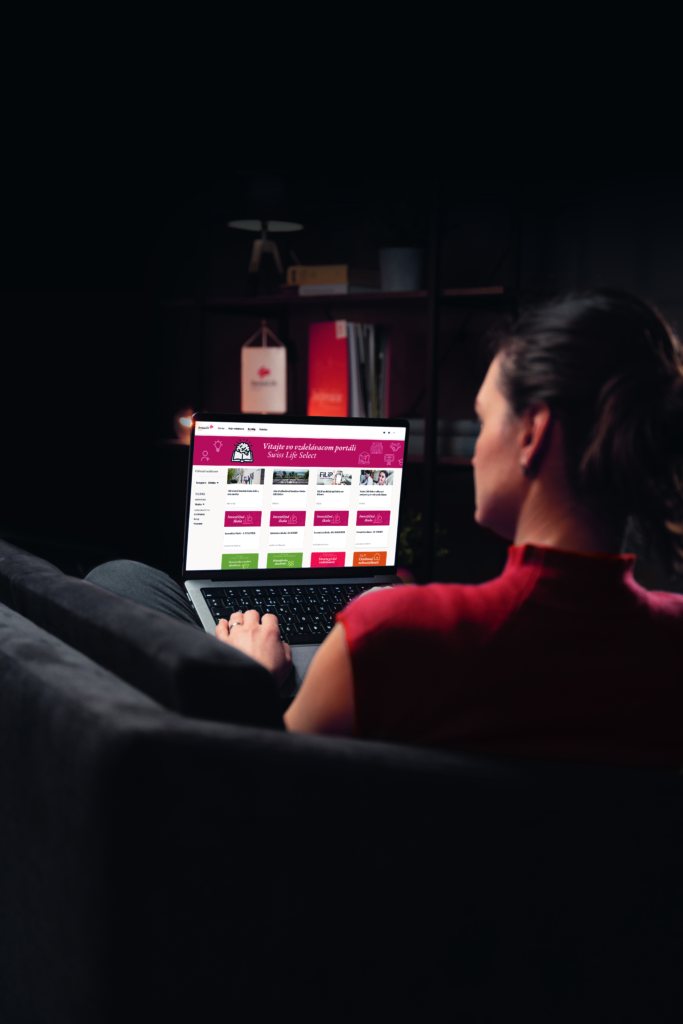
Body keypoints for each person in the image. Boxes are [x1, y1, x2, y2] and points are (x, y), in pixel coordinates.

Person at [86, 288, 683, 768]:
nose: (475, 452)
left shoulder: (390, 630)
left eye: (482, 421)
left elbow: (264, 793)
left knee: (119, 581)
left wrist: (253, 683)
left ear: (532, 432)